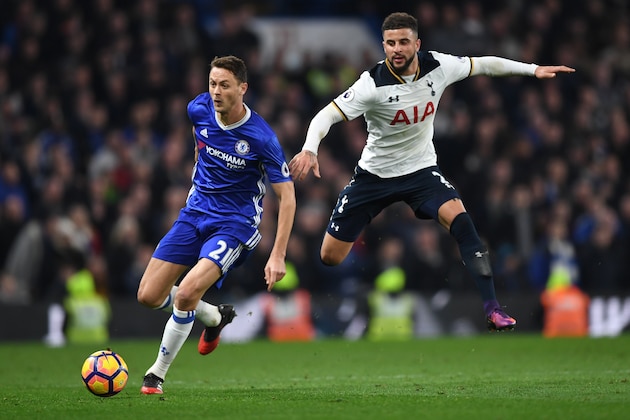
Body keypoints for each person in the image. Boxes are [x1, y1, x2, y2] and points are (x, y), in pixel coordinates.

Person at [289, 12, 575, 333]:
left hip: (421, 172)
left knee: (463, 224)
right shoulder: (371, 84)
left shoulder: (439, 66)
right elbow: (325, 117)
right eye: (390, 43)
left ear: (417, 43)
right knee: (330, 256)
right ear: (383, 46)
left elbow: (483, 65)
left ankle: (492, 308)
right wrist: (310, 148)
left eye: (403, 42)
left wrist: (532, 69)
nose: (397, 49)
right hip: (373, 178)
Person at [137, 55, 296, 394]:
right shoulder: (198, 109)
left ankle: (156, 374)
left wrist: (278, 254)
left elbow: (288, 197)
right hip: (194, 214)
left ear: (243, 88)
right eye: (212, 84)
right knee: (148, 295)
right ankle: (212, 316)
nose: (216, 92)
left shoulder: (261, 138)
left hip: (234, 224)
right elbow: (201, 145)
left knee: (188, 291)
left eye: (224, 85)